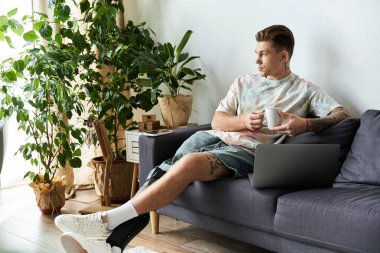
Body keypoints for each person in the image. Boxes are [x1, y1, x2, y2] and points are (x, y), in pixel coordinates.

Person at [55, 25, 351, 253]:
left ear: (283, 56)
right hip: (212, 137)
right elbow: (219, 120)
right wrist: (243, 120)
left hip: (249, 152)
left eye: (263, 53)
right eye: (256, 51)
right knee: (162, 170)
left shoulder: (304, 90)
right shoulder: (243, 82)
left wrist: (304, 124)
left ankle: (104, 222)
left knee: (190, 164)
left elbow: (342, 115)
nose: (256, 57)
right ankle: (114, 244)